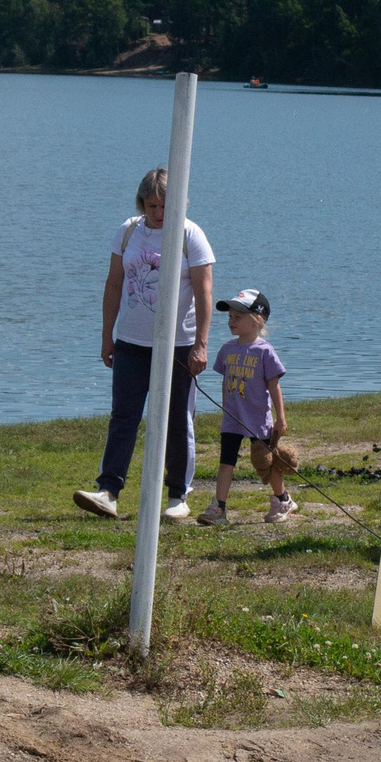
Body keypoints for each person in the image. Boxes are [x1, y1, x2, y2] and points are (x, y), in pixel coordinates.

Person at [74, 167, 214, 522]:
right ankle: (108, 491)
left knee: (176, 419)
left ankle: (177, 495)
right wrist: (108, 335)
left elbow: (204, 291)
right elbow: (114, 284)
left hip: (177, 345)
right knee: (123, 415)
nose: (157, 213)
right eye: (151, 205)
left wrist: (200, 344)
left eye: (165, 206)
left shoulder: (190, 235)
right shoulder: (128, 231)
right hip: (131, 342)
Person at [199, 289, 294, 526]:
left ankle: (282, 499)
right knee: (226, 462)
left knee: (264, 462)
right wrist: (225, 407)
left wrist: (280, 418)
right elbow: (225, 382)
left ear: (257, 319)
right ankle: (218, 507)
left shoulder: (265, 352)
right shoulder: (227, 349)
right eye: (230, 317)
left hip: (257, 418)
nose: (231, 321)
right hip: (232, 418)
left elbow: (274, 387)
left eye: (237, 317)